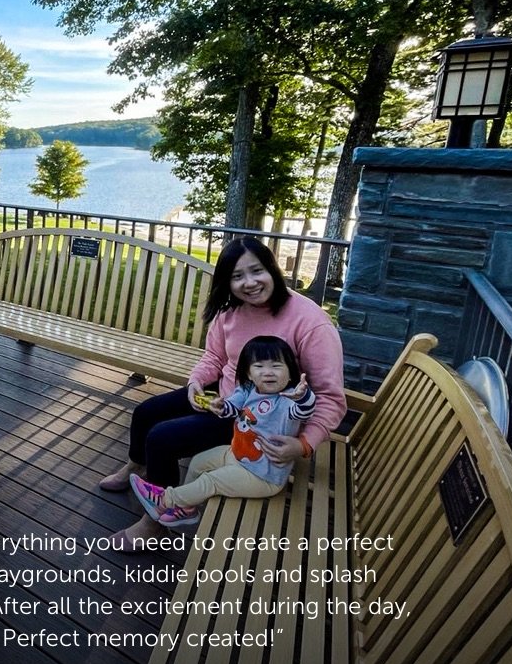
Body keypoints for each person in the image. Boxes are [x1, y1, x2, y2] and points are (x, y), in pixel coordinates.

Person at [98, 236, 346, 551]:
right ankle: (138, 465)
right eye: (237, 276)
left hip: (259, 420)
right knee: (146, 412)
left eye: (256, 271)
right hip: (225, 397)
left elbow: (330, 397)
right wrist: (196, 383)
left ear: (272, 269)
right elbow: (214, 359)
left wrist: (304, 444)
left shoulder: (310, 323)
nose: (249, 283)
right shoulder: (231, 312)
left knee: (162, 438)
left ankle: (157, 523)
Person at [129, 336, 315, 527]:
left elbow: (303, 410)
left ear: (291, 373)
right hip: (236, 454)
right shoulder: (248, 389)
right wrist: (220, 406)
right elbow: (232, 408)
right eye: (259, 366)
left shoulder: (287, 401)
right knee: (198, 462)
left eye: (276, 366)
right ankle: (187, 509)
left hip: (263, 475)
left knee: (211, 481)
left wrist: (304, 396)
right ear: (249, 374)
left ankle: (166, 500)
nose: (268, 372)